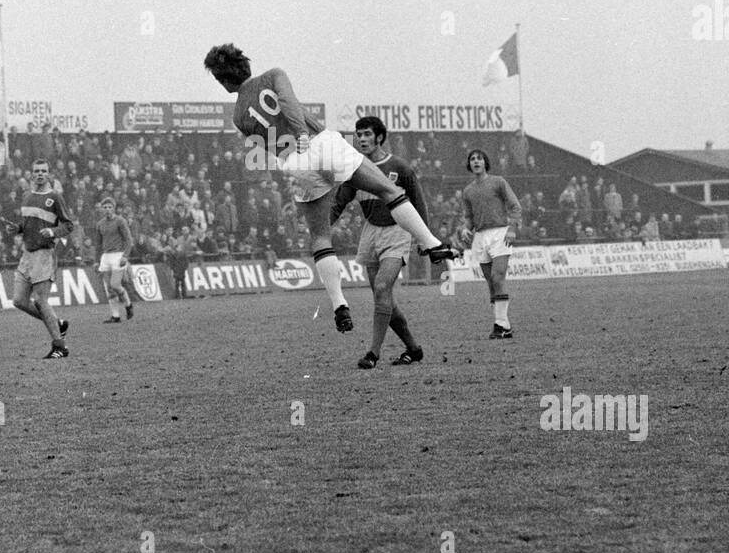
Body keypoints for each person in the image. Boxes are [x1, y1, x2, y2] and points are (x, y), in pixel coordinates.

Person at [204, 44, 459, 334]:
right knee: (388, 190)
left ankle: (340, 305)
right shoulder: (274, 75)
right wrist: (301, 133)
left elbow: (266, 147)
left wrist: (293, 154)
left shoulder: (238, 116)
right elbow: (287, 102)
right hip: (318, 141)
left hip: (295, 161)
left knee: (320, 236)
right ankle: (431, 243)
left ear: (224, 79)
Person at [330, 116, 426, 369]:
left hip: (397, 232)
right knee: (385, 300)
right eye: (358, 135)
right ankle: (413, 349)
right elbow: (339, 202)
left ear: (380, 137)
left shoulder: (399, 167)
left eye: (367, 135)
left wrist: (426, 239)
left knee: (383, 288)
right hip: (371, 233)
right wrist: (320, 229)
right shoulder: (353, 169)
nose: (361, 139)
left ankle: (373, 353)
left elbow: (418, 203)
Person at [0, 159, 73, 358]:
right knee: (19, 301)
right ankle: (57, 324)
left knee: (41, 300)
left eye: (43, 171)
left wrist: (53, 231)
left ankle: (60, 346)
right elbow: (28, 223)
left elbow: (68, 225)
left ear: (49, 174)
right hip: (27, 254)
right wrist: (18, 228)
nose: (40, 174)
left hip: (44, 254)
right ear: (31, 174)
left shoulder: (55, 197)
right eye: (36, 171)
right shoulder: (27, 196)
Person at [459, 149, 524, 339]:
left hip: (500, 233)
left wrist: (512, 229)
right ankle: (503, 326)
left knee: (497, 277)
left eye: (479, 158)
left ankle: (501, 325)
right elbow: (469, 217)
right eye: (472, 159)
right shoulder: (468, 191)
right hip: (480, 237)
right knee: (491, 283)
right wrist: (465, 229)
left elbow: (515, 206)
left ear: (485, 162)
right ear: (469, 164)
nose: (476, 161)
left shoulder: (498, 182)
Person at [95, 197, 134, 323]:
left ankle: (128, 305)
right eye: (105, 207)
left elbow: (128, 240)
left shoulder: (120, 221)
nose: (107, 209)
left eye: (110, 207)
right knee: (109, 289)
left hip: (118, 256)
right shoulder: (100, 224)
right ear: (102, 209)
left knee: (115, 284)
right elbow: (98, 244)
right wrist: (97, 260)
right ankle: (115, 316)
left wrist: (125, 256)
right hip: (105, 257)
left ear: (114, 208)